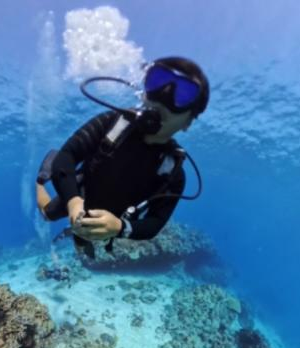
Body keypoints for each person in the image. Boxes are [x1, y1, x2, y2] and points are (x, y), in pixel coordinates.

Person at [36, 56, 209, 249]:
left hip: (113, 221)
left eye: (184, 93)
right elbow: (66, 156)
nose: (164, 95)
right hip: (78, 193)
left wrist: (120, 227)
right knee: (46, 214)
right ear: (144, 92)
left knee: (84, 243)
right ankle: (40, 180)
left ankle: (79, 237)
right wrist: (73, 201)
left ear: (188, 122)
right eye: (157, 80)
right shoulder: (112, 124)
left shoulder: (173, 173)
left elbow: (155, 223)